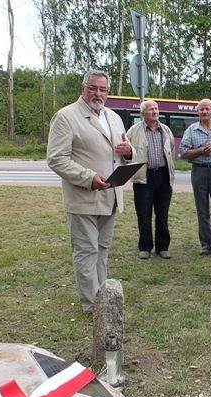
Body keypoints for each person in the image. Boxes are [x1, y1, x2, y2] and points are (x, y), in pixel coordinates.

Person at [47, 69, 134, 313]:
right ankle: (92, 306)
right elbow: (56, 158)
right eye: (93, 88)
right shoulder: (66, 117)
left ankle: (102, 299)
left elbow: (125, 151)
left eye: (103, 89)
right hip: (84, 196)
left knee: (103, 251)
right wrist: (88, 177)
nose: (98, 93)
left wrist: (128, 152)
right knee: (87, 251)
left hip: (111, 195)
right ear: (82, 89)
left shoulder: (114, 117)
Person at [126, 100, 176, 260]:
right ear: (142, 114)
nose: (155, 111)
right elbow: (126, 153)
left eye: (156, 108)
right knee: (144, 214)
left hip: (163, 176)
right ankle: (145, 247)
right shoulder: (133, 131)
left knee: (162, 214)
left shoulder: (166, 130)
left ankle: (163, 247)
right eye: (150, 109)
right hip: (143, 177)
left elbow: (171, 150)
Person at [180, 99, 211, 256]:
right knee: (202, 210)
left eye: (207, 108)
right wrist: (201, 150)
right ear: (197, 112)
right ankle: (206, 245)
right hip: (199, 171)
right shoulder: (191, 130)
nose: (204, 112)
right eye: (201, 109)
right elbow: (183, 153)